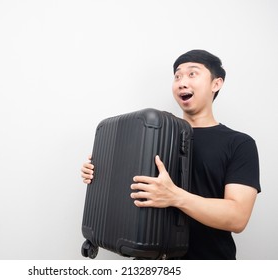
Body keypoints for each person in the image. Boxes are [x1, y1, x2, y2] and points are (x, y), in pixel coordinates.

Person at [80, 49, 261, 260]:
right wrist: (100, 173)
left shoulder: (239, 144)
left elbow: (237, 218)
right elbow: (134, 188)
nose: (182, 82)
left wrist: (175, 197)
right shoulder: (154, 135)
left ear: (216, 83)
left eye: (192, 74)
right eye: (177, 76)